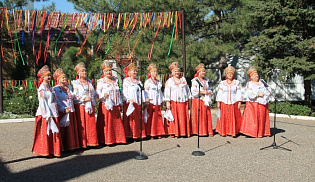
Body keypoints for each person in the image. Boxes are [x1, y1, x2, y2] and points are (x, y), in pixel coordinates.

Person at [32, 65, 63, 157]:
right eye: (47, 76)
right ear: (42, 77)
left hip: (53, 112)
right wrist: (47, 114)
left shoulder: (50, 87)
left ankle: (54, 150)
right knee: (46, 132)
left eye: (50, 75)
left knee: (54, 132)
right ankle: (45, 151)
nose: (49, 77)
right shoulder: (42, 88)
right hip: (46, 113)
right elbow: (42, 102)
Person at [96, 61, 126, 145]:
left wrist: (120, 103)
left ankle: (118, 139)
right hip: (106, 105)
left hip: (115, 104)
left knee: (116, 121)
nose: (108, 72)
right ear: (103, 72)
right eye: (106, 71)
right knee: (108, 122)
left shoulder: (115, 80)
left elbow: (118, 92)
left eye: (109, 70)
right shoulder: (101, 81)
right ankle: (108, 140)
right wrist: (103, 95)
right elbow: (97, 93)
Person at [72, 62, 98, 148]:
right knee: (82, 124)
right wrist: (83, 99)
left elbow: (94, 93)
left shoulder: (89, 82)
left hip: (90, 105)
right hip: (81, 106)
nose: (85, 73)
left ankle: (92, 142)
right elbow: (74, 96)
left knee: (90, 124)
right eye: (82, 71)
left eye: (85, 71)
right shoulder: (76, 83)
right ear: (78, 73)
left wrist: (94, 98)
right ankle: (83, 143)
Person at [240, 66, 271, 138]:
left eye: (257, 74)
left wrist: (265, 94)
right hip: (253, 104)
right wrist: (257, 94)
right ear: (251, 77)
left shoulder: (262, 83)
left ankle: (262, 132)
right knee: (253, 118)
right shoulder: (249, 84)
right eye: (255, 75)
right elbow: (249, 93)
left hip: (262, 103)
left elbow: (268, 90)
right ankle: (252, 132)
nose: (257, 76)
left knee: (262, 117)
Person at [53, 68, 79, 151]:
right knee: (64, 129)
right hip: (63, 111)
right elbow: (56, 101)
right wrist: (63, 108)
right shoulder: (56, 89)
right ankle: (64, 146)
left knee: (71, 128)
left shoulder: (69, 87)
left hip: (71, 110)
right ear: (58, 80)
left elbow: (74, 97)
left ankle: (72, 145)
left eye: (65, 77)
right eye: (63, 78)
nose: (65, 79)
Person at [164, 62, 191, 138]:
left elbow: (187, 90)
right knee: (175, 117)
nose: (177, 73)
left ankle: (183, 132)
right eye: (175, 71)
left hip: (183, 101)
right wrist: (167, 102)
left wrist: (189, 99)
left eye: (178, 71)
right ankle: (175, 132)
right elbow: (167, 92)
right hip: (174, 102)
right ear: (172, 73)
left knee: (183, 116)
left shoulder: (183, 79)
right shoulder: (169, 81)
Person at [122, 62, 147, 140]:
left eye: (136, 71)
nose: (135, 72)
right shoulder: (126, 81)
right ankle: (130, 135)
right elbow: (124, 91)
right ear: (129, 72)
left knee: (138, 118)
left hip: (137, 102)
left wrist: (144, 100)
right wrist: (128, 99)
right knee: (131, 119)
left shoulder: (138, 81)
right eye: (134, 71)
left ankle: (138, 134)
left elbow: (142, 91)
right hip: (130, 102)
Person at [216, 65, 242, 137]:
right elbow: (220, 93)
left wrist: (239, 102)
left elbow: (238, 92)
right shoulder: (223, 83)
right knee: (225, 117)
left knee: (233, 117)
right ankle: (224, 131)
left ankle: (233, 131)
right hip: (224, 102)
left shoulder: (236, 82)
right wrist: (218, 102)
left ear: (233, 74)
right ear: (226, 74)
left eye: (231, 73)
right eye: (228, 73)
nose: (230, 75)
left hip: (233, 102)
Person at [190, 63, 213, 136]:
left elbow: (208, 88)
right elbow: (193, 91)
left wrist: (209, 91)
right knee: (199, 115)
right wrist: (203, 92)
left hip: (205, 100)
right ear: (198, 72)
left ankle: (205, 130)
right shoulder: (195, 80)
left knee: (205, 115)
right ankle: (197, 131)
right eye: (202, 71)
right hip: (198, 100)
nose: (204, 73)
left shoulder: (205, 80)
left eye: (204, 71)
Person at [144, 63, 165, 139]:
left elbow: (160, 92)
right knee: (151, 117)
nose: (155, 73)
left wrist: (162, 101)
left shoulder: (158, 82)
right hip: (151, 101)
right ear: (150, 73)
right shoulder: (148, 82)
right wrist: (146, 101)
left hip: (157, 101)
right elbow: (145, 92)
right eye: (153, 72)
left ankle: (158, 132)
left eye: (156, 71)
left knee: (158, 117)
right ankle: (151, 133)